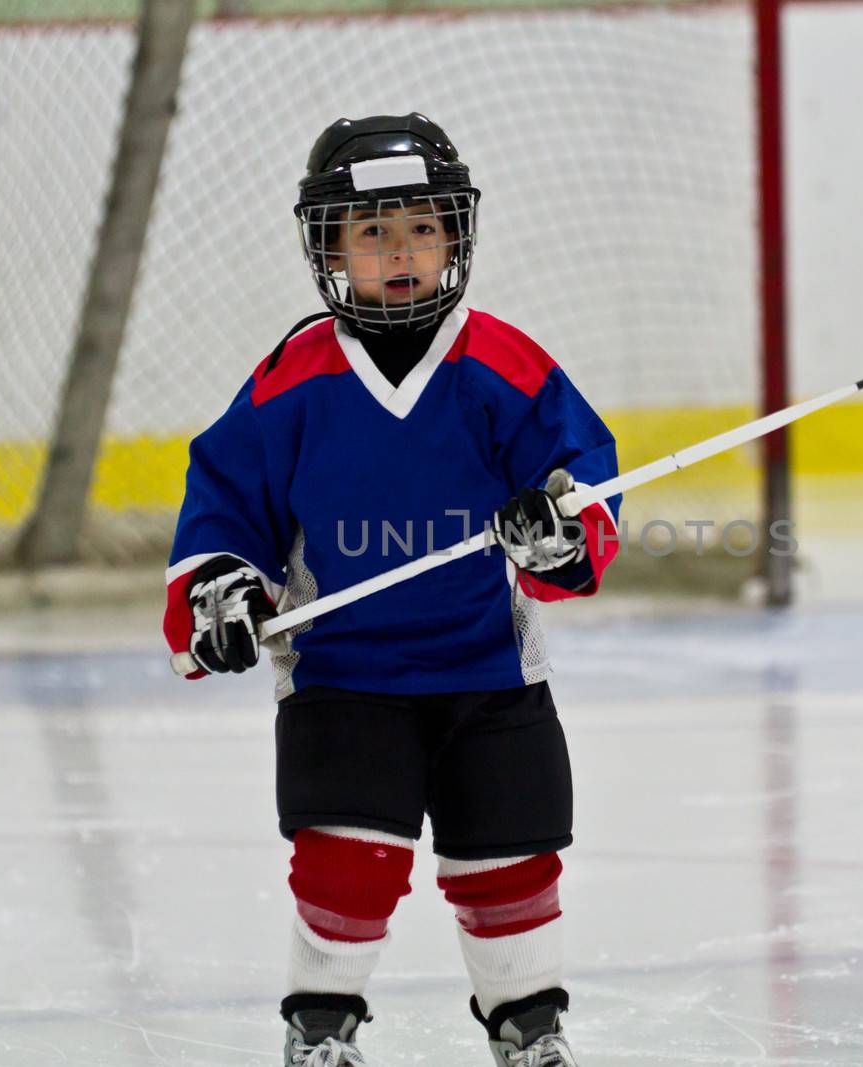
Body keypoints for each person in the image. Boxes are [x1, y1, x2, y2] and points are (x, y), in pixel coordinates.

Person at [164, 113, 619, 1067]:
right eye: (372, 232)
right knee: (348, 857)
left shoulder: (500, 363)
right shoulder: (291, 385)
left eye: (422, 226)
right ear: (329, 248)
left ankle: (529, 1026)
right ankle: (321, 1025)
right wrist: (222, 595)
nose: (401, 252)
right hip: (343, 674)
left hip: (487, 666)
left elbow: (581, 478)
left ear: (456, 235)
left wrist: (557, 529)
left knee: (510, 850)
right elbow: (226, 507)